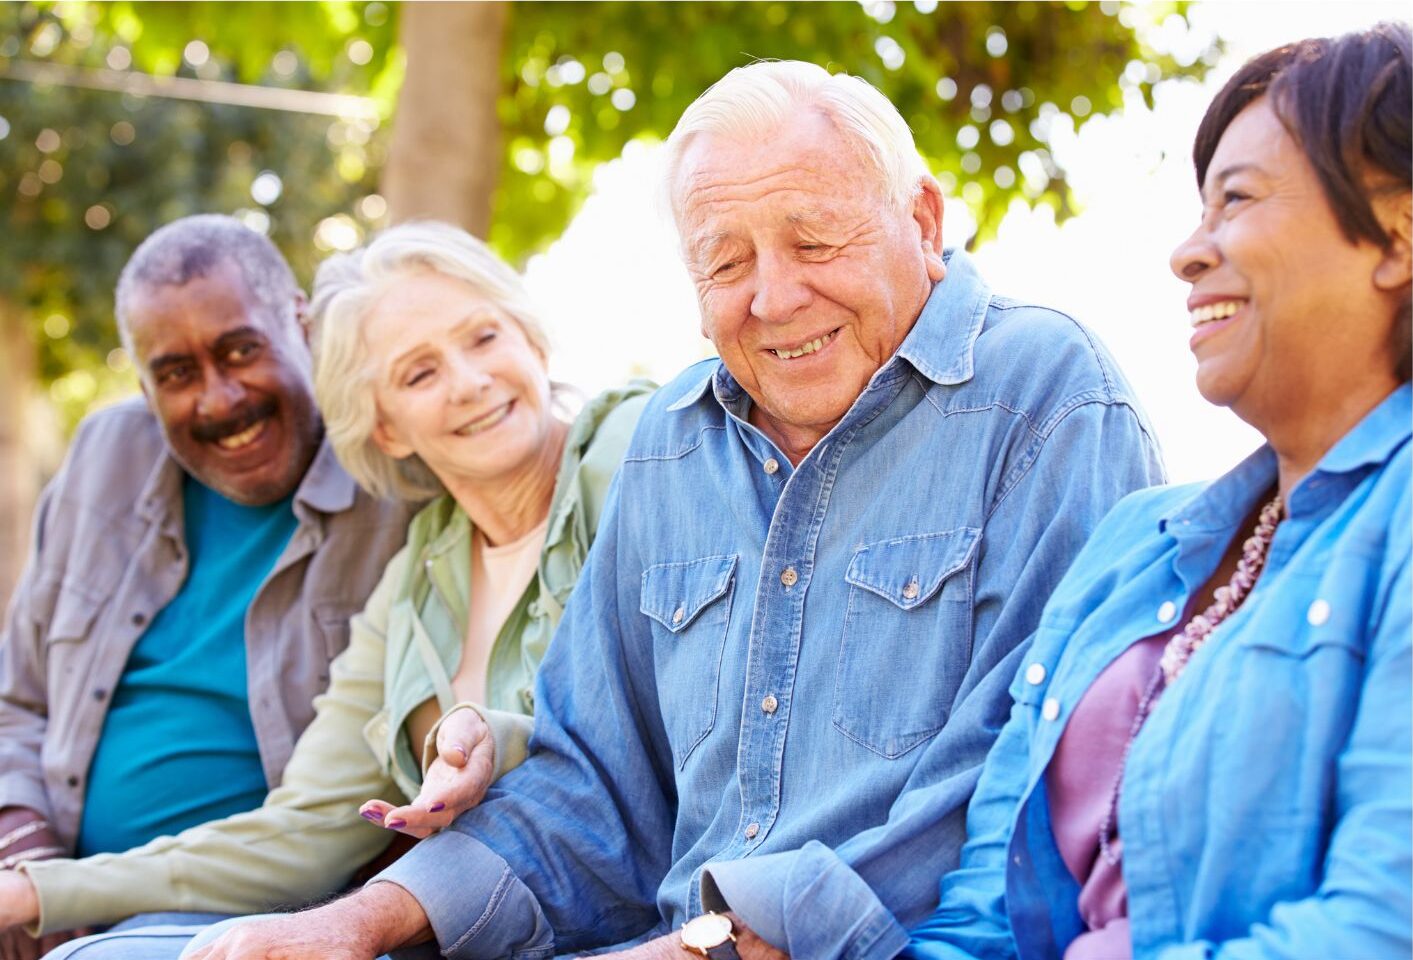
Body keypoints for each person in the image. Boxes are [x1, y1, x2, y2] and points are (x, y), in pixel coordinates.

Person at [188, 60, 1164, 960]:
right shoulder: (674, 439)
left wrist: (710, 943)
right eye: (726, 263)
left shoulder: (1046, 393)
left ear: (922, 217)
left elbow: (1013, 780)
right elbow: (587, 792)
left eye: (815, 240)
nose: (774, 298)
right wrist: (354, 924)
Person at [0, 222, 653, 957]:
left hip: (548, 921)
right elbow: (307, 824)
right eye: (418, 374)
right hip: (422, 921)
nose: (469, 383)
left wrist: (490, 744)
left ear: (532, 339)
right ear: (386, 428)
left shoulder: (637, 452)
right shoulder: (417, 578)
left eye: (483, 338)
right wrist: (34, 889)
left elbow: (625, 746)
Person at [906, 22, 1411, 960]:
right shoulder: (1135, 543)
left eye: (1237, 200)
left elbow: (1382, 928)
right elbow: (982, 908)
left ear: (1396, 233)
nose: (1187, 252)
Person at [0, 215, 413, 959]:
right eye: (177, 374)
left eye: (240, 351)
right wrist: (24, 853)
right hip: (49, 894)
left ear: (304, 324)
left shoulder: (397, 481)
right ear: (143, 383)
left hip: (262, 917)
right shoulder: (104, 457)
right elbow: (17, 700)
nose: (220, 400)